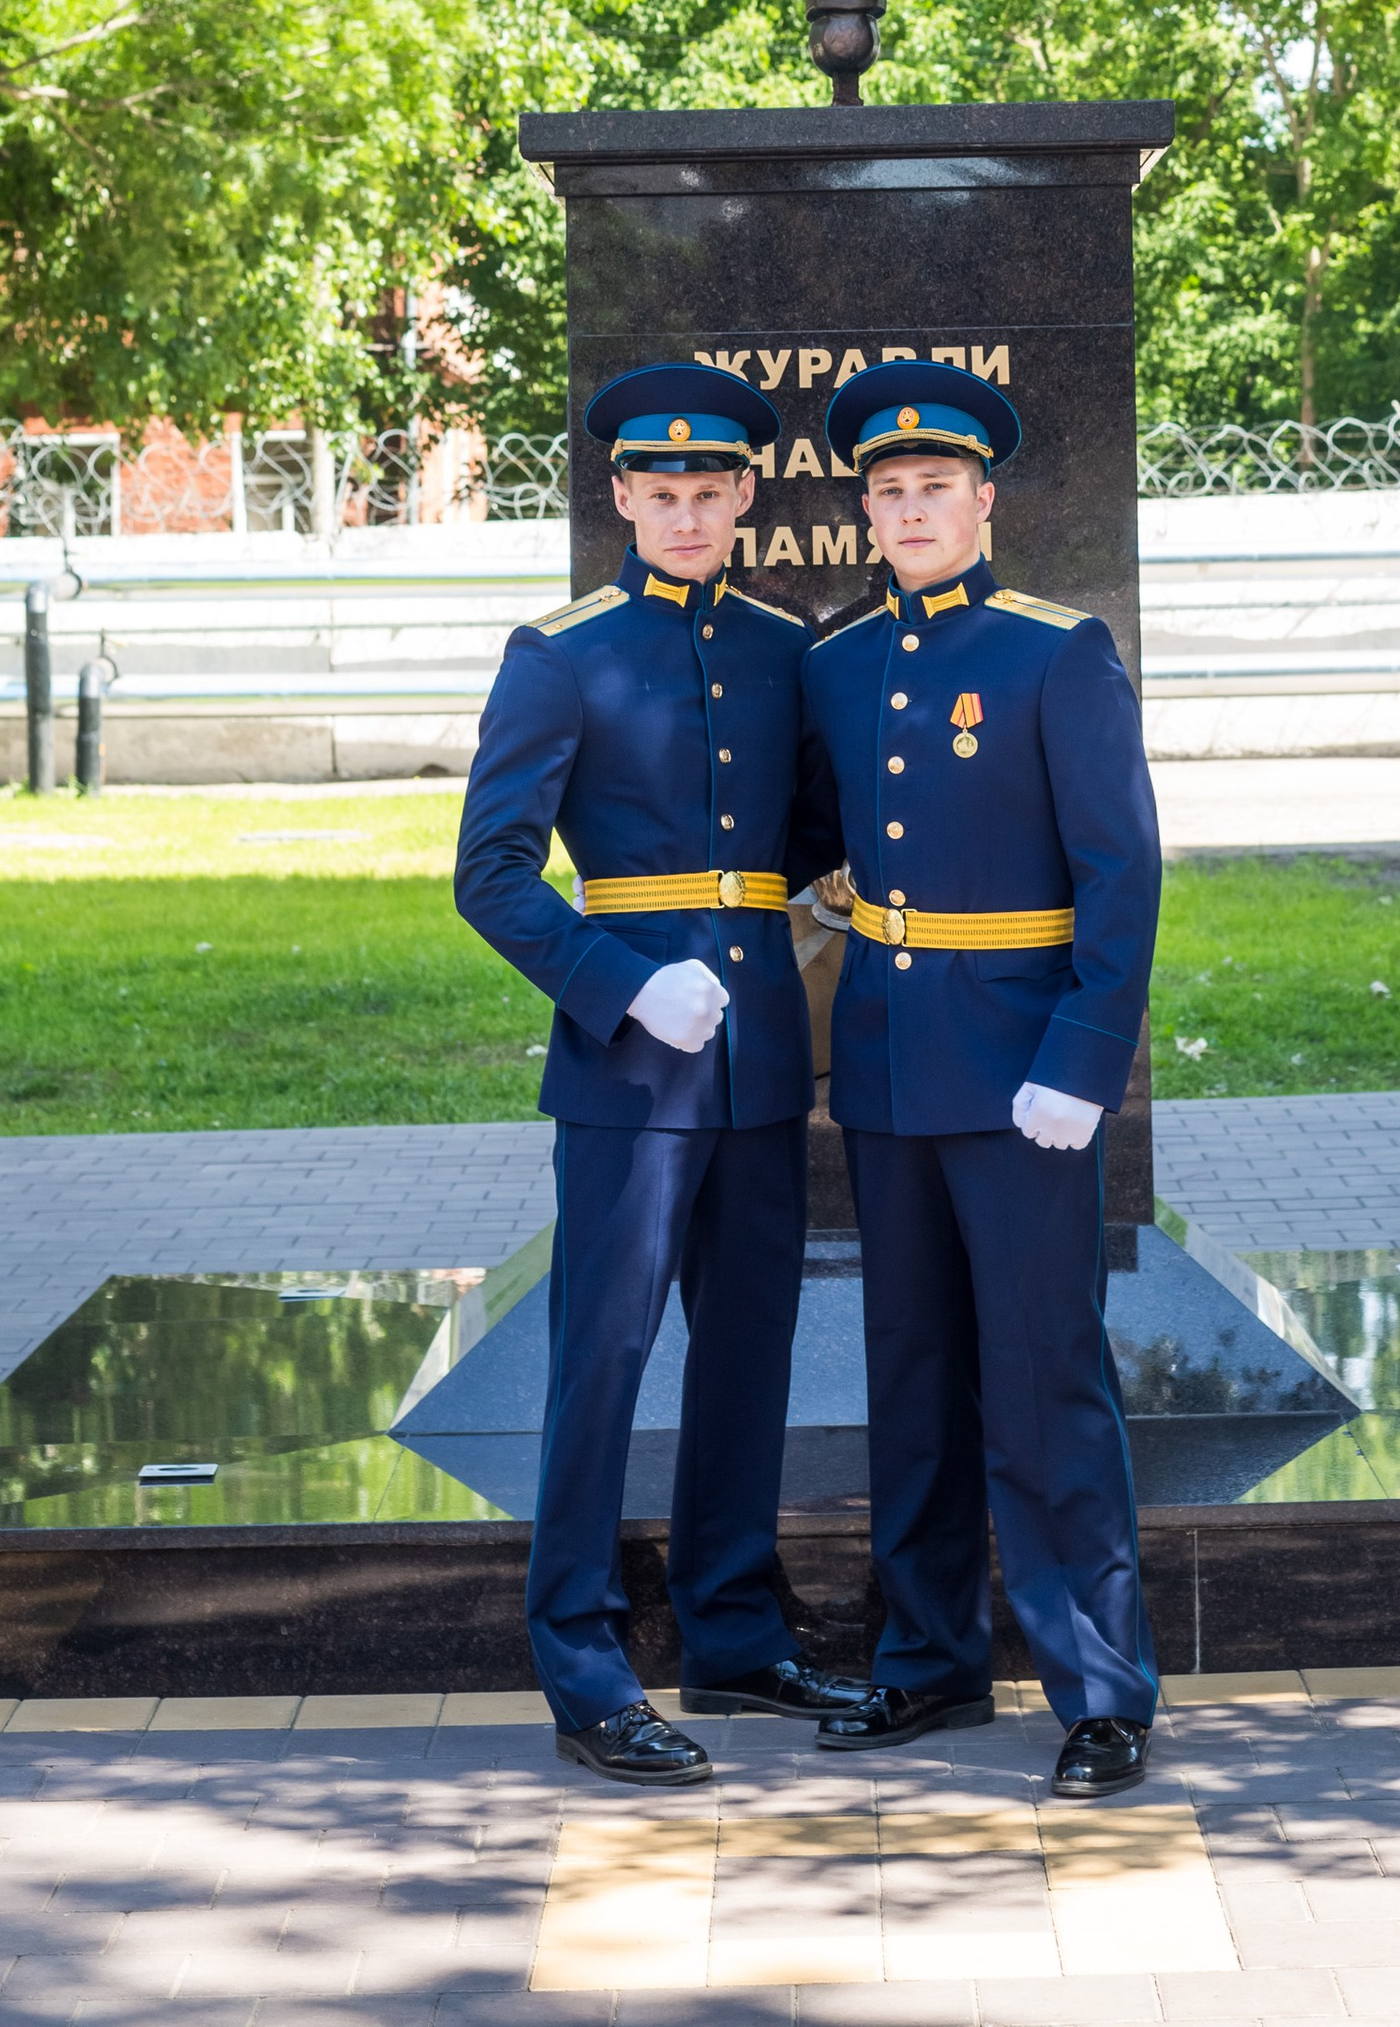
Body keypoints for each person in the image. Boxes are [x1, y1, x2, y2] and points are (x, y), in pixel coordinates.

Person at [454, 360, 864, 1786]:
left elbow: (817, 835)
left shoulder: (781, 644)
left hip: (759, 1055)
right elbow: (490, 876)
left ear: (749, 496)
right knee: (604, 1359)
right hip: (629, 1072)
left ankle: (736, 1632)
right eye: (659, 491)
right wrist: (624, 984)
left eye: (711, 492)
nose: (685, 514)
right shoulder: (558, 654)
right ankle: (580, 1661)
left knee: (749, 1357)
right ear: (620, 495)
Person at [800, 359, 1163, 1799]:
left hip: (1024, 1076)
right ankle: (929, 1662)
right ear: (866, 515)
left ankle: (1099, 1688)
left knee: (1043, 1374)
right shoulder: (834, 664)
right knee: (915, 1374)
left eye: (935, 487)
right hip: (889, 1069)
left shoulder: (1054, 651)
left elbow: (1121, 871)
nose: (910, 510)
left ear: (984, 499)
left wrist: (1086, 1056)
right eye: (887, 493)